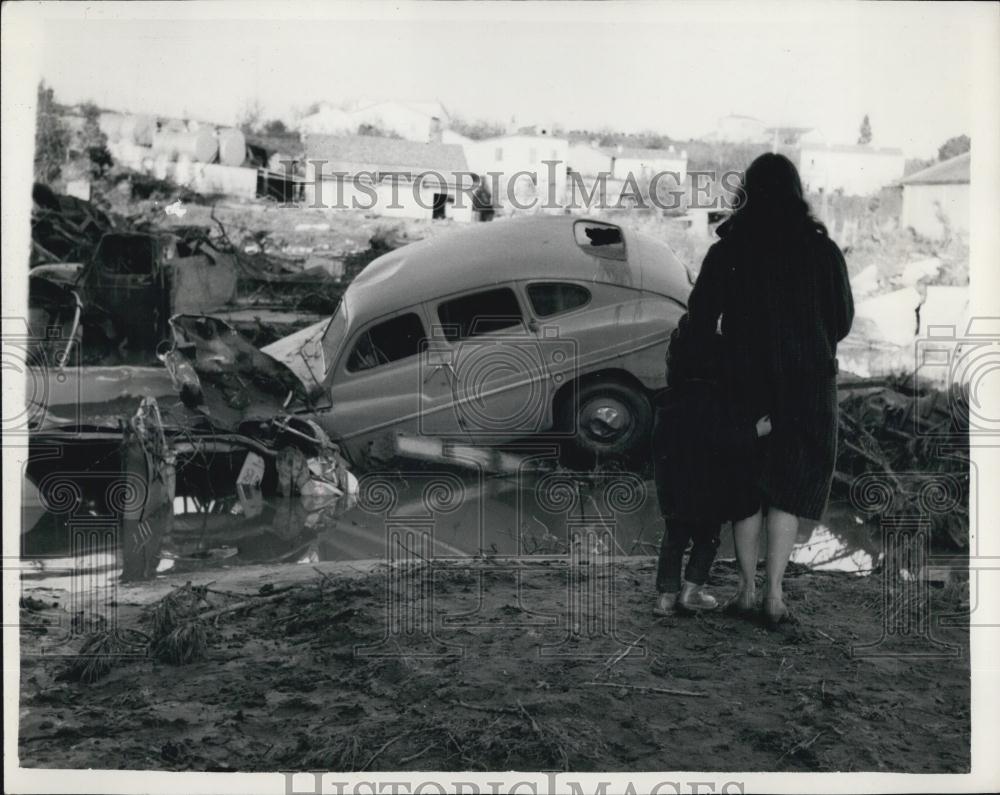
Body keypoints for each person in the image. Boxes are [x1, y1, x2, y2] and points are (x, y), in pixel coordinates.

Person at [686, 153, 854, 629]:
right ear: (796, 191)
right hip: (807, 385)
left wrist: (724, 357)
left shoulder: (729, 249)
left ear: (747, 192)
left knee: (747, 485)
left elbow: (700, 318)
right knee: (789, 487)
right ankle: (775, 596)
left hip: (742, 384)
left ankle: (744, 590)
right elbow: (840, 320)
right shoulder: (823, 251)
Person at [652, 312, 772, 615]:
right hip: (709, 490)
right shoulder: (717, 404)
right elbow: (724, 441)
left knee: (673, 540)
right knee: (707, 540)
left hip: (674, 491)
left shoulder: (668, 401)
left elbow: (658, 447)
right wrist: (755, 432)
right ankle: (691, 592)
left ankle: (666, 596)